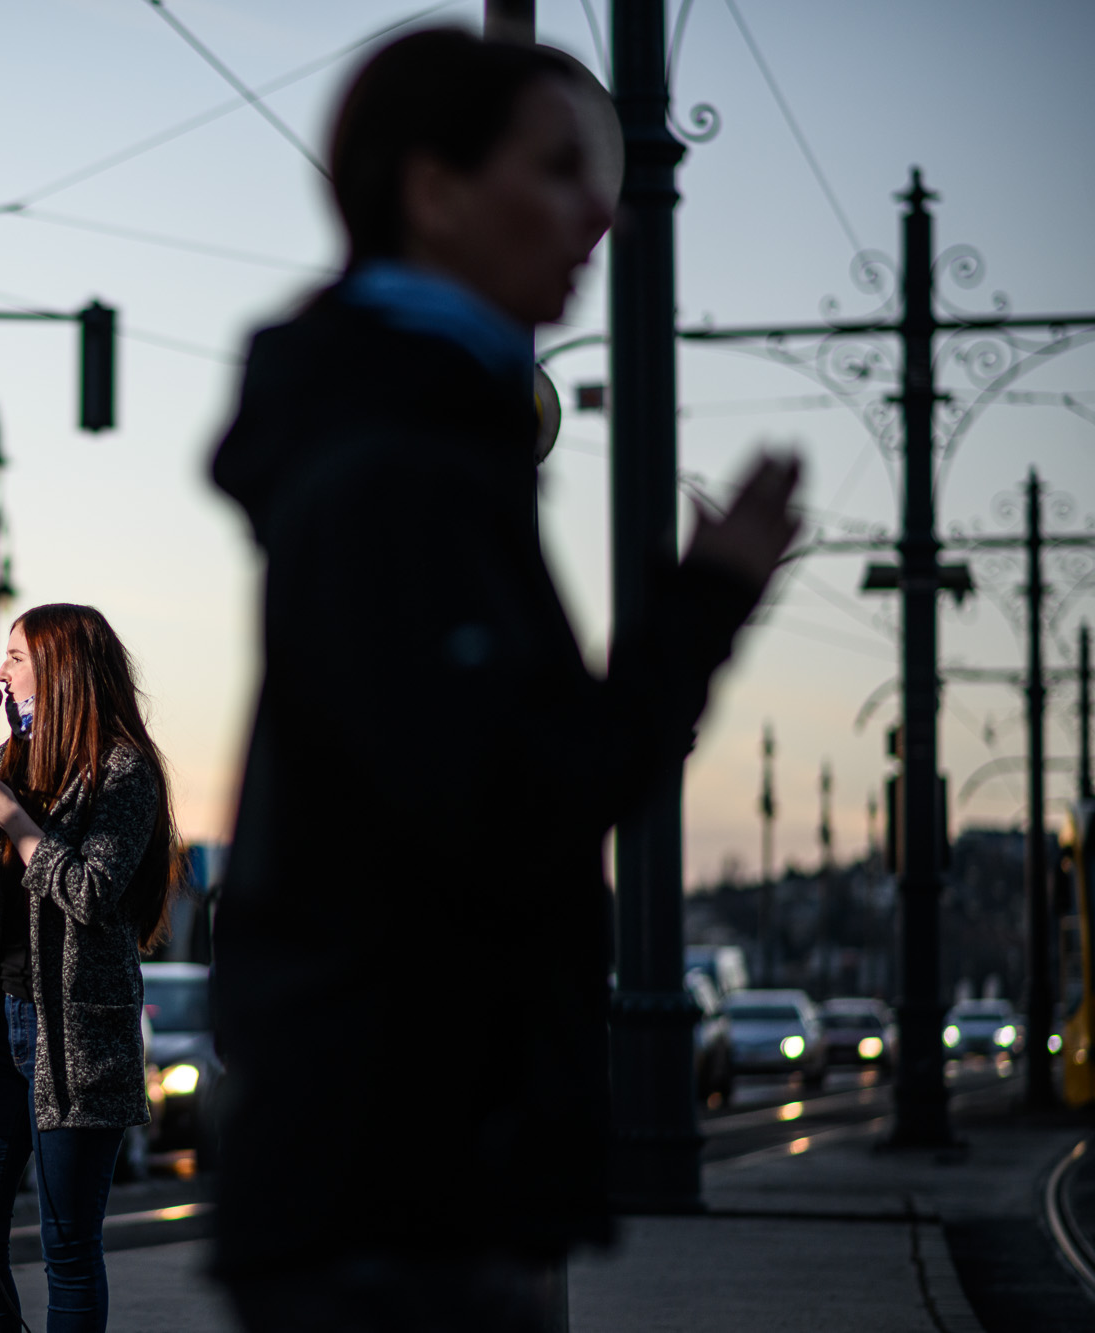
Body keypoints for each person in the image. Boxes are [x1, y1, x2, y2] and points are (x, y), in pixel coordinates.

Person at [206, 28, 802, 1333]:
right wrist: (700, 612)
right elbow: (518, 793)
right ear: (435, 191)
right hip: (397, 1169)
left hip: (393, 1161)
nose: (604, 213)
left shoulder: (402, 434)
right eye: (558, 169)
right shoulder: (401, 467)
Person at [0, 602, 182, 1333]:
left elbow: (92, 892)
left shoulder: (124, 769)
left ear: (61, 669)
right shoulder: (11, 758)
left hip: (74, 1031)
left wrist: (17, 820)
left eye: (15, 656)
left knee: (68, 1243)